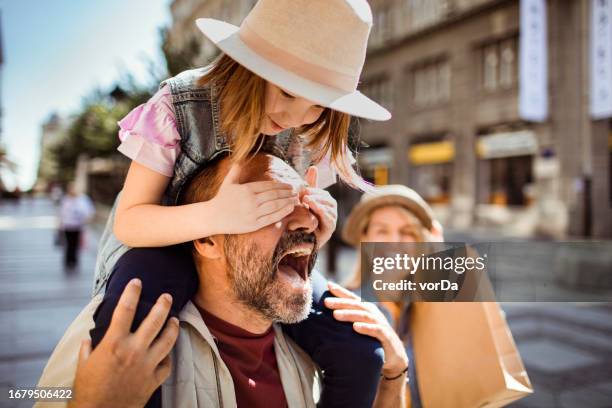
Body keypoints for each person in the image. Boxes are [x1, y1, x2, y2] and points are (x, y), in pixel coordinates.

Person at [90, 0, 391, 406]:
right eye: (287, 91)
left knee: (361, 348)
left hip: (254, 259)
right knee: (128, 332)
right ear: (248, 64)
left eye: (318, 103)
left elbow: (288, 224)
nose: (296, 117)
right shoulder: (179, 104)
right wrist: (216, 215)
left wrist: (316, 224)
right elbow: (130, 221)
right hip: (161, 245)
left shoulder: (312, 131)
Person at [37, 154, 408, 408]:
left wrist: (394, 373)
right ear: (206, 237)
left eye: (306, 203)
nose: (308, 220)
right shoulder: (117, 340)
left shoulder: (326, 343)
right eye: (268, 202)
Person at [341, 184, 443, 408]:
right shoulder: (344, 309)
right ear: (364, 238)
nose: (394, 241)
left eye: (407, 232)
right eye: (382, 231)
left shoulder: (430, 302)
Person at [58, 182, 95, 269]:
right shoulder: (66, 199)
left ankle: (74, 261)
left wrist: (87, 219)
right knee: (69, 244)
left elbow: (89, 211)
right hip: (67, 226)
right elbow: (61, 213)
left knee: (75, 244)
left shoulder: (83, 199)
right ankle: (68, 261)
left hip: (78, 226)